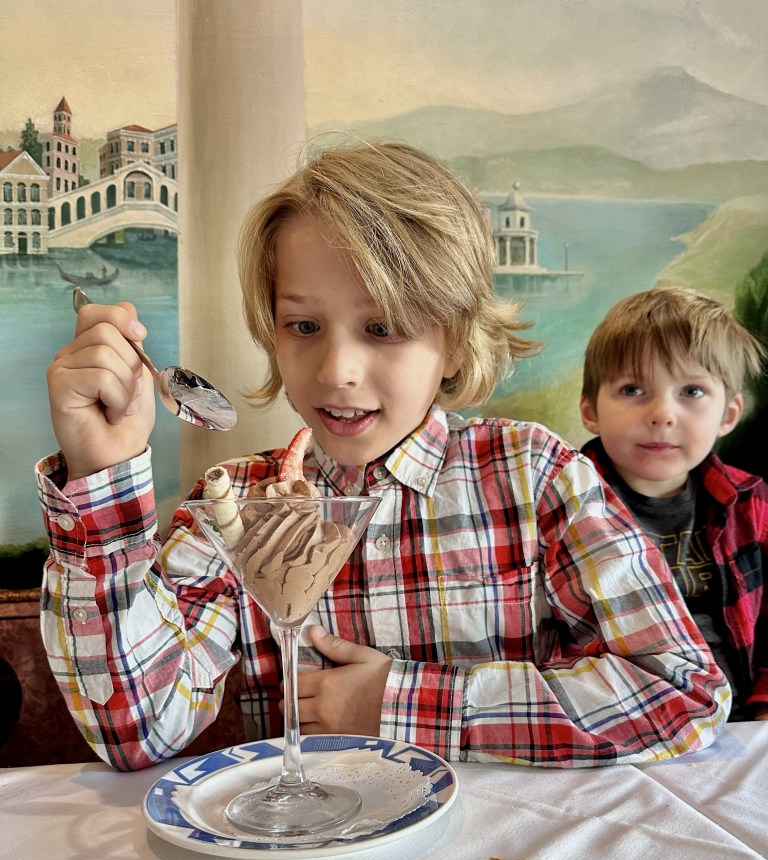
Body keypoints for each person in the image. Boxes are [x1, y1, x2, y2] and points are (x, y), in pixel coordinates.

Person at [39, 141, 730, 771]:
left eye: (383, 327)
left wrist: (400, 705)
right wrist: (103, 471)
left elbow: (684, 693)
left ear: (453, 342)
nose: (336, 369)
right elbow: (137, 731)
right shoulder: (233, 506)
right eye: (303, 325)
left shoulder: (535, 477)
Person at [579, 286, 768, 721]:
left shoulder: (751, 504)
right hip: (623, 726)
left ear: (728, 414)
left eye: (692, 391)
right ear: (591, 411)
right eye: (633, 389)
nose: (662, 414)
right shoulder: (565, 506)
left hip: (739, 722)